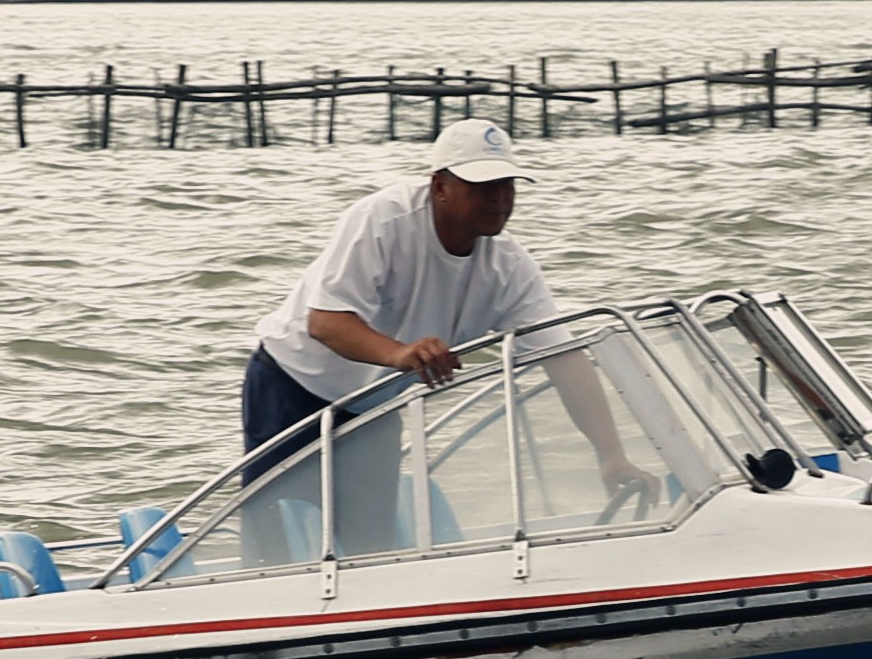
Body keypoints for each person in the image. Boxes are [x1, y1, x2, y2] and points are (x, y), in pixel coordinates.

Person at [242, 119, 642, 556]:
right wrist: (400, 353)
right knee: (272, 542)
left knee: (371, 548)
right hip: (292, 383)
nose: (499, 199)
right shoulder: (383, 220)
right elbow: (326, 323)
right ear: (438, 186)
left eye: (508, 185)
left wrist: (611, 453)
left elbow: (563, 359)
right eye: (482, 185)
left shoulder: (509, 267)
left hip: (374, 405)